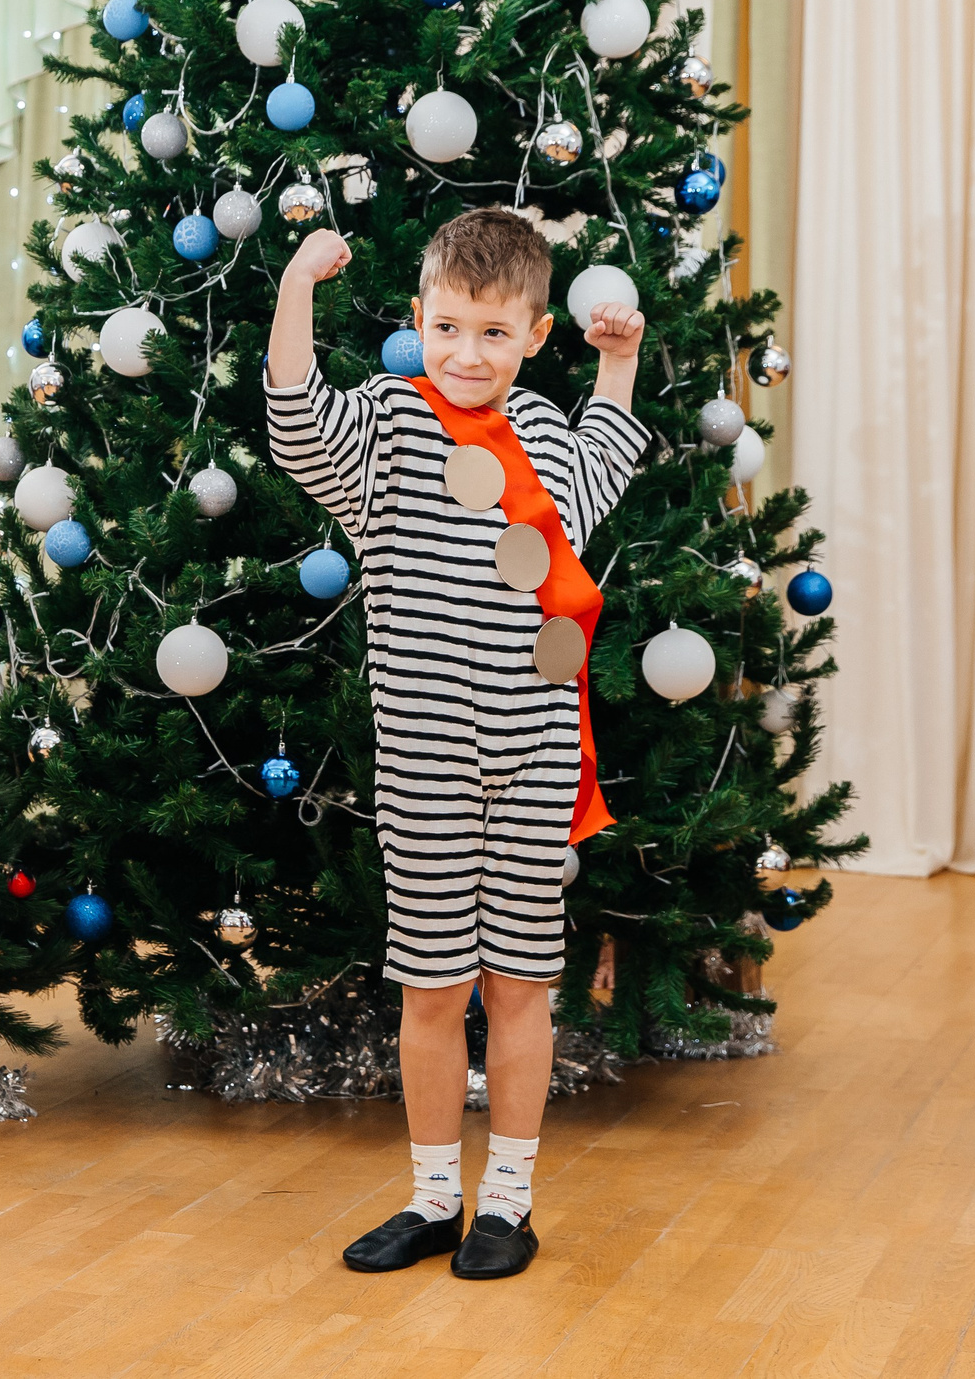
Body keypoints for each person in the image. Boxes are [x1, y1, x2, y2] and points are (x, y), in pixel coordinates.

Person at [264, 208, 646, 1281]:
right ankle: (435, 1196)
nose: (463, 354)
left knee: (519, 983)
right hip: (424, 762)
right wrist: (298, 284)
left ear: (531, 337)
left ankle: (509, 1203)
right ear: (416, 320)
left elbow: (608, 451)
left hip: (533, 757)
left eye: (489, 333)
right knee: (431, 987)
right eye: (445, 328)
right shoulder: (385, 426)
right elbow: (293, 415)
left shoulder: (551, 446)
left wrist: (618, 358)